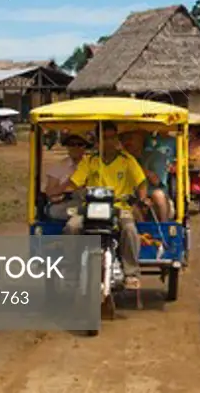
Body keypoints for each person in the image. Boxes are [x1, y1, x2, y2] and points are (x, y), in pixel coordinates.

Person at [59, 122, 149, 290]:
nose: (108, 142)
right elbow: (74, 183)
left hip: (119, 207)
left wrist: (141, 199)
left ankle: (131, 274)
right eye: (104, 138)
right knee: (71, 226)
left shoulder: (127, 160)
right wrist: (72, 191)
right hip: (91, 208)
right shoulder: (90, 161)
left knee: (129, 229)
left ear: (116, 139)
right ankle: (71, 269)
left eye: (111, 138)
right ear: (97, 140)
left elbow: (142, 183)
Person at [120, 130, 173, 224]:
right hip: (129, 198)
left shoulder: (156, 157)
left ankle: (164, 228)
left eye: (130, 139)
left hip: (154, 199)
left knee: (158, 195)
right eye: (124, 139)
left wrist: (134, 166)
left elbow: (156, 181)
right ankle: (142, 232)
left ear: (141, 139)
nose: (127, 143)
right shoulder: (119, 160)